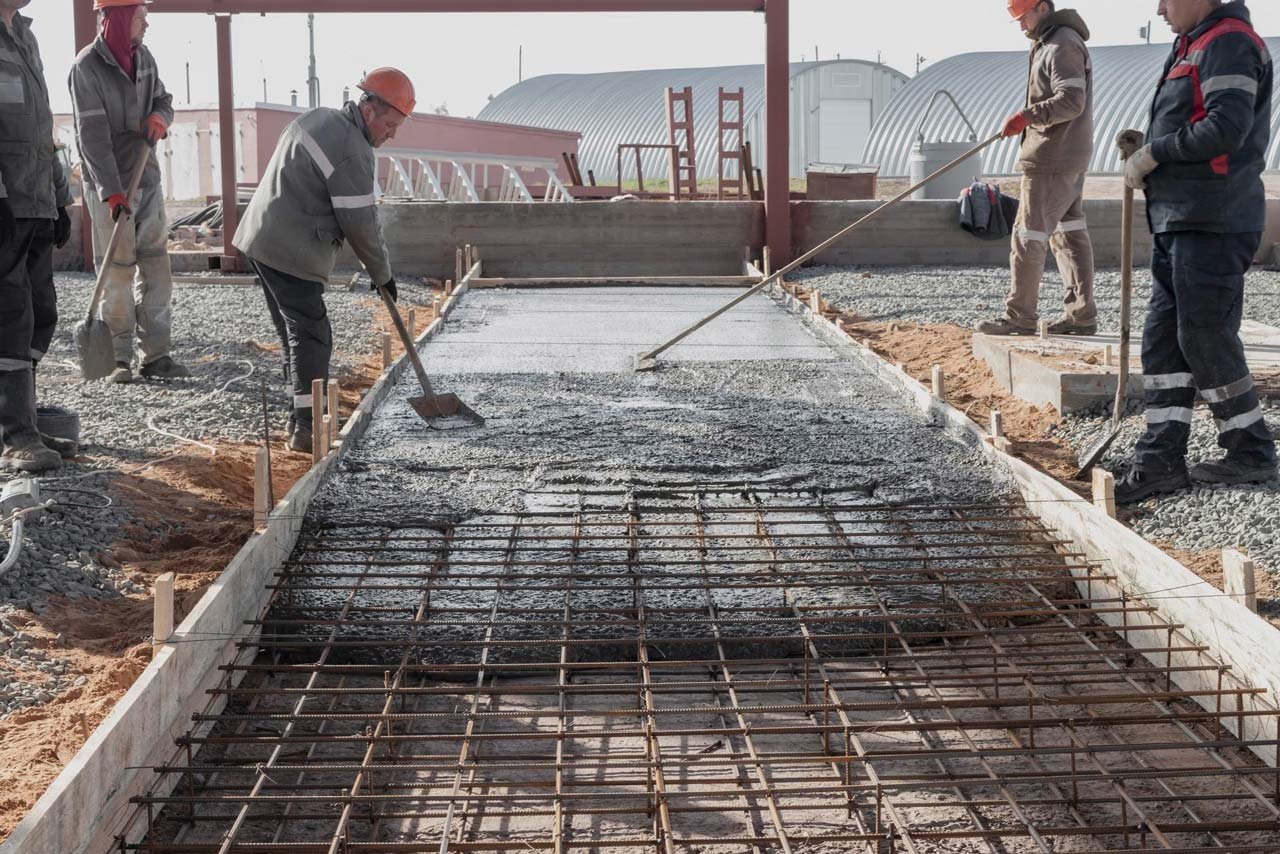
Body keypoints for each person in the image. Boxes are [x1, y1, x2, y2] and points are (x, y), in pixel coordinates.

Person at [1114, 0, 1277, 503]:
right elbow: (1200, 120)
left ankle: (1251, 450)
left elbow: (1227, 129)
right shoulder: (1193, 43)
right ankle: (1160, 457)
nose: (1160, 9)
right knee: (1163, 339)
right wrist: (1150, 142)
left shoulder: (1227, 42)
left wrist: (1156, 152)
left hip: (1214, 218)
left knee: (1203, 335)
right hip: (1179, 217)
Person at [233, 69, 413, 452]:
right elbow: (361, 223)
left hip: (262, 239)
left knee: (294, 335)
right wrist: (382, 274)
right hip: (289, 249)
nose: (392, 134)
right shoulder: (352, 149)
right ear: (369, 111)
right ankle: (307, 429)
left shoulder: (319, 118)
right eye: (391, 124)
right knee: (313, 336)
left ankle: (297, 418)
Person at [70, 0, 188, 384]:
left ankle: (157, 355)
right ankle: (119, 357)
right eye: (140, 18)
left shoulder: (145, 60)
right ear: (117, 20)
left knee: (156, 266)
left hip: (146, 178)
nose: (146, 25)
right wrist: (112, 193)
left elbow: (164, 100)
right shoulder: (86, 68)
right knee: (118, 272)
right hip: (111, 187)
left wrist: (160, 117)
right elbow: (93, 138)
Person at [977, 0, 1097, 337]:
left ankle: (1020, 317)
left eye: (1024, 16)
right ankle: (1081, 315)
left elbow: (1072, 101)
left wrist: (1027, 116)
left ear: (1043, 7)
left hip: (1051, 157)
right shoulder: (1051, 42)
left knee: (1028, 235)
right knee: (1070, 234)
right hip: (1066, 156)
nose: (1021, 26)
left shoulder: (1061, 45)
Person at [0, 0, 76, 472]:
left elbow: (44, 127)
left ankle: (21, 416)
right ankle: (17, 436)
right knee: (9, 317)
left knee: (40, 314)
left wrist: (62, 196)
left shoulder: (25, 36)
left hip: (36, 201)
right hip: (5, 202)